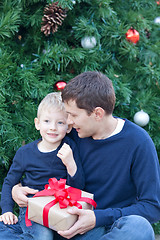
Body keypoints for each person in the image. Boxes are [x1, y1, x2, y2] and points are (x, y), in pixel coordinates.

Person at [11, 71, 160, 240]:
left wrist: (98, 218)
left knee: (139, 228)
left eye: (73, 115)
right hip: (61, 225)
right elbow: (36, 161)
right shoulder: (72, 134)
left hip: (107, 229)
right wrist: (15, 189)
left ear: (97, 114)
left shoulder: (138, 142)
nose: (68, 122)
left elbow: (152, 207)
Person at [0, 92, 84, 240]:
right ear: (37, 123)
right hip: (33, 207)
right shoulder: (25, 153)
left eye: (60, 123)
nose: (53, 128)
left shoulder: (69, 148)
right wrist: (6, 210)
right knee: (42, 236)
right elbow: (10, 182)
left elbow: (77, 188)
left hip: (60, 206)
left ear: (68, 127)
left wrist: (70, 164)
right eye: (47, 121)